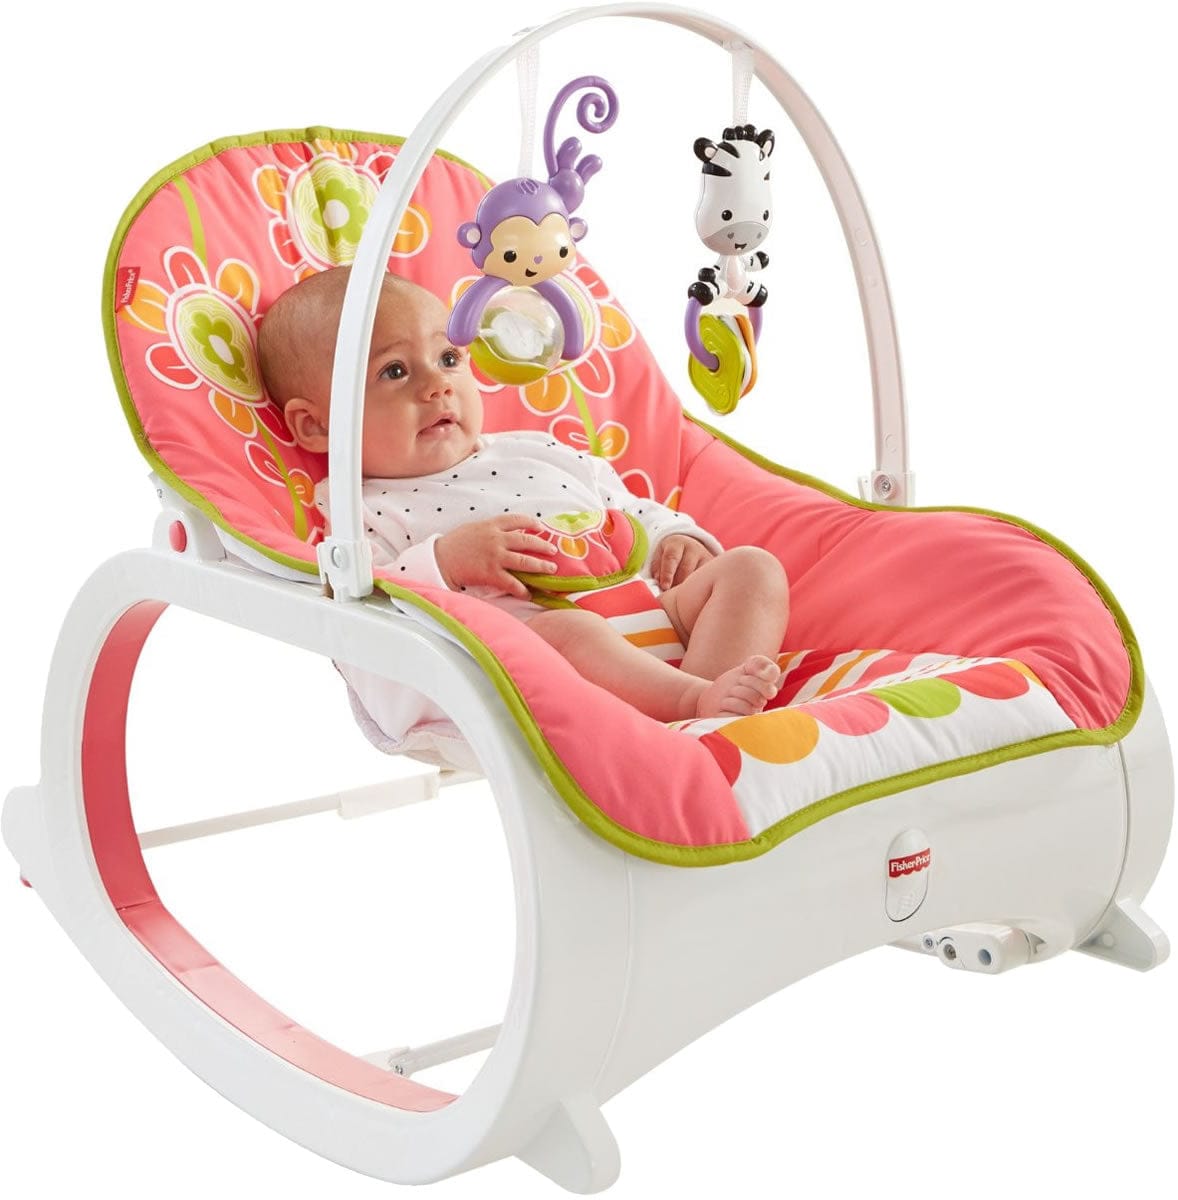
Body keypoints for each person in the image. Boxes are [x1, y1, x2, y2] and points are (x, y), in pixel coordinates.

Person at [257, 267, 789, 721]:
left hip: (654, 614)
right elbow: (367, 615)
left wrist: (674, 536)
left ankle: (711, 696)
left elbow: (624, 508)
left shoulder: (537, 449)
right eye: (394, 371)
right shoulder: (362, 510)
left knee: (752, 568)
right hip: (560, 662)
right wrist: (444, 561)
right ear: (318, 426)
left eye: (448, 358)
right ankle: (692, 706)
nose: (438, 385)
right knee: (565, 632)